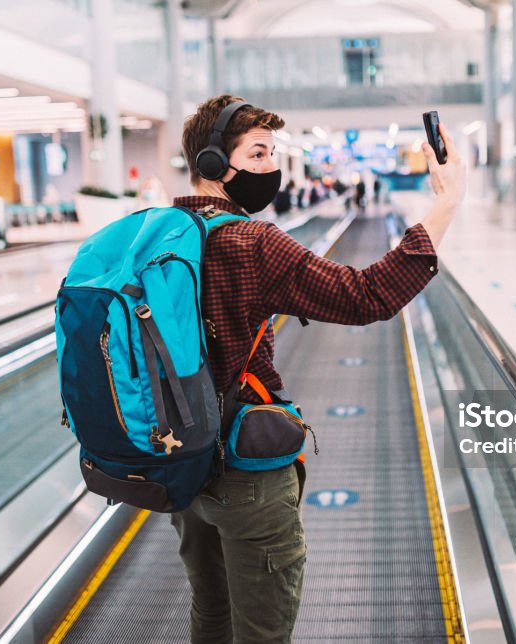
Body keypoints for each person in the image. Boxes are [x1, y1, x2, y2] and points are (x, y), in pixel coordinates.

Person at [170, 94, 466, 643]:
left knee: (211, 616)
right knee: (263, 631)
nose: (270, 169)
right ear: (213, 164)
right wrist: (446, 204)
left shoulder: (157, 234)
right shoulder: (251, 242)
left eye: (272, 154)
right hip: (245, 477)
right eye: (257, 155)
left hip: (180, 470)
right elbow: (367, 296)